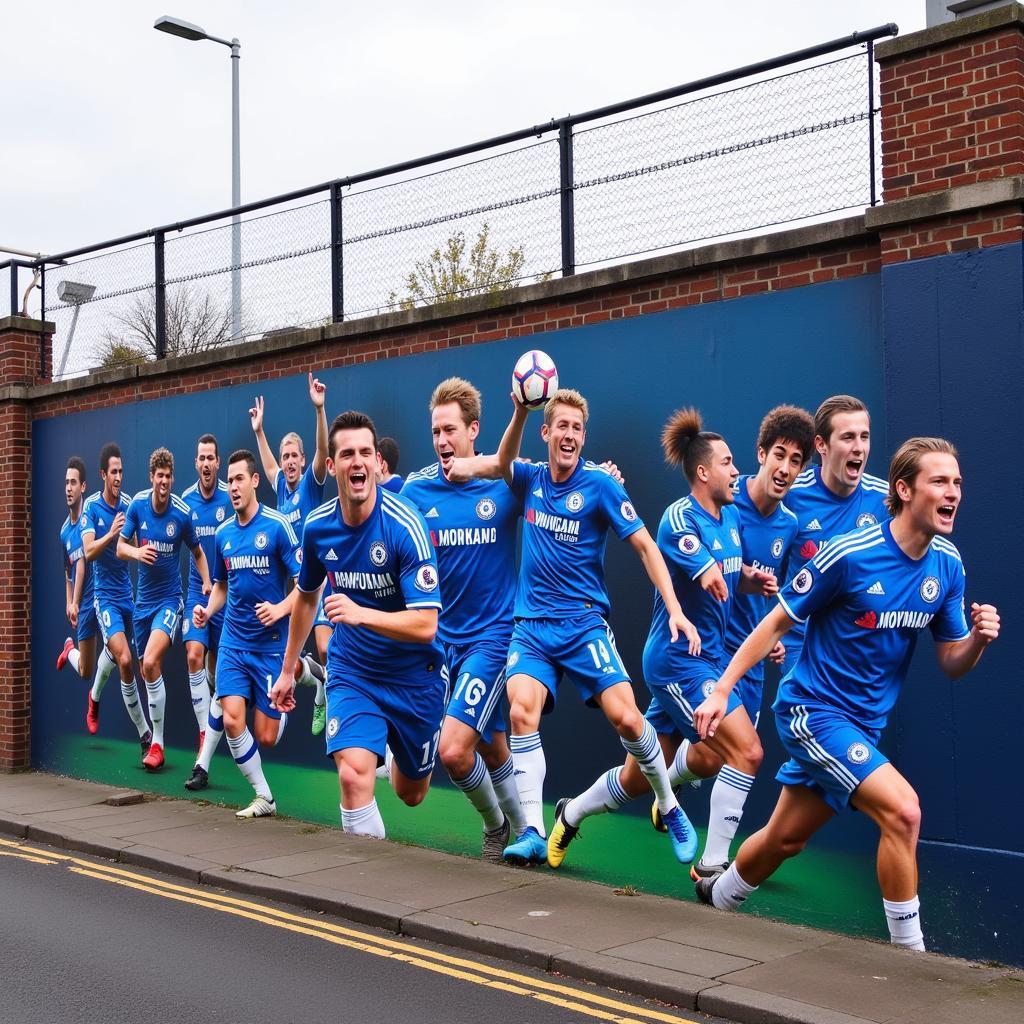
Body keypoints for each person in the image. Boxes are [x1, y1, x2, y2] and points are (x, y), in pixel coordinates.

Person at [692, 438, 999, 952]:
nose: (954, 493)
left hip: (863, 727)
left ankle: (717, 895)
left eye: (958, 483)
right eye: (940, 482)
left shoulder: (947, 564)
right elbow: (776, 621)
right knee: (904, 812)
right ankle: (911, 961)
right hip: (812, 713)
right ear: (903, 489)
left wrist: (976, 642)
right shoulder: (849, 554)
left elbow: (951, 661)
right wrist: (722, 689)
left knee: (786, 838)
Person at [446, 389, 701, 867]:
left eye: (577, 428)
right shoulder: (528, 479)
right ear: (546, 433)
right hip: (531, 628)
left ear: (584, 437)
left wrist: (675, 608)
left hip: (584, 625)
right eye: (560, 426)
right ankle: (534, 832)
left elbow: (647, 547)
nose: (569, 435)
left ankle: (669, 804)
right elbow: (497, 463)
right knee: (522, 710)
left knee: (627, 718)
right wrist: (518, 410)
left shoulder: (602, 485)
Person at [548, 409, 775, 876]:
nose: (737, 472)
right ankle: (712, 867)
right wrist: (722, 578)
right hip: (678, 662)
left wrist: (751, 580)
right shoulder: (680, 518)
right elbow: (710, 577)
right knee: (747, 752)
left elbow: (730, 579)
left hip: (704, 658)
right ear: (703, 471)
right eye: (729, 463)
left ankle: (570, 814)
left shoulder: (730, 517)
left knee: (655, 771)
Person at [649, 406, 815, 874]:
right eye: (778, 455)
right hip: (696, 658)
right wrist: (712, 578)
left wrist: (766, 619)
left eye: (796, 460)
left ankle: (655, 799)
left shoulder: (788, 525)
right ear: (762, 454)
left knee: (706, 757)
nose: (784, 468)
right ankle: (711, 863)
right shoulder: (721, 503)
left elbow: (774, 593)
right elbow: (697, 562)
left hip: (747, 661)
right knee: (742, 752)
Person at [270, 412, 448, 839]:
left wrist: (361, 613)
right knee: (352, 777)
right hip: (354, 670)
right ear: (331, 466)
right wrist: (288, 668)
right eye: (347, 454)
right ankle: (370, 880)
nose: (358, 462)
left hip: (413, 676)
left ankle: (388, 748)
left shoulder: (406, 525)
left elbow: (426, 624)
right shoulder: (317, 529)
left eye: (365, 453)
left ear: (377, 461)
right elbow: (308, 596)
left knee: (412, 791)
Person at [402, 378, 527, 861]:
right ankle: (525, 828)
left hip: (492, 638)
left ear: (474, 430)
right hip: (439, 644)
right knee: (493, 746)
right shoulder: (416, 489)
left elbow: (558, 478)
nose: (441, 441)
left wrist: (605, 472)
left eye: (450, 430)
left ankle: (497, 826)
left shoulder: (504, 483)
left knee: (454, 751)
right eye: (435, 432)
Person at [192, 450, 302, 818]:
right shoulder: (222, 534)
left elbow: (305, 588)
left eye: (240, 479)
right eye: (230, 481)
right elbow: (222, 586)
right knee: (231, 717)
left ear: (255, 482)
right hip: (233, 644)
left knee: (266, 736)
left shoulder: (277, 526)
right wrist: (208, 611)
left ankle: (296, 675)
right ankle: (264, 796)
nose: (233, 487)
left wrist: (279, 609)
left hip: (271, 645)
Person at [117, 448, 210, 771]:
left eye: (169, 476)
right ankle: (158, 742)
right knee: (146, 670)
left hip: (171, 600)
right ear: (151, 477)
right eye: (160, 476)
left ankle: (157, 743)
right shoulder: (137, 506)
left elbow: (198, 553)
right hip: (142, 605)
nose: (165, 481)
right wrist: (136, 554)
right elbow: (120, 546)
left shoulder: (181, 514)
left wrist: (208, 583)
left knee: (153, 660)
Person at [780, 395, 889, 675]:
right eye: (848, 437)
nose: (859, 448)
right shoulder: (791, 495)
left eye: (864, 437)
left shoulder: (886, 500)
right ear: (821, 445)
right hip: (801, 647)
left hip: (859, 647)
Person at [250, 374, 329, 733]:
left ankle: (324, 697)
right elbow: (266, 465)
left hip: (320, 578)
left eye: (295, 455)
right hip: (292, 584)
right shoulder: (280, 482)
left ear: (302, 458)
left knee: (325, 649)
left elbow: (324, 452)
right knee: (290, 656)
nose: (289, 462)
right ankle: (313, 683)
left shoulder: (312, 482)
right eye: (286, 457)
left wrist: (319, 410)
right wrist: (259, 431)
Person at [80, 443, 151, 756]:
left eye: (121, 471)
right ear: (102, 475)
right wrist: (110, 534)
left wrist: (140, 545)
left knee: (123, 655)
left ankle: (94, 697)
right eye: (114, 472)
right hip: (104, 597)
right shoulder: (92, 508)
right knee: (124, 660)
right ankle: (144, 734)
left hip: (127, 594)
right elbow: (88, 552)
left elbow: (134, 545)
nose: (119, 477)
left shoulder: (129, 504)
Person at [180, 434, 233, 789]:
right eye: (201, 458)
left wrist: (220, 584)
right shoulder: (184, 502)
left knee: (218, 671)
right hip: (196, 593)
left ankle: (215, 721)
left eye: (211, 458)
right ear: (196, 462)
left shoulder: (231, 496)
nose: (206, 464)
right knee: (194, 655)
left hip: (226, 595)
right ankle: (204, 734)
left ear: (218, 462)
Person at [57, 457, 112, 692]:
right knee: (84, 671)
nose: (69, 488)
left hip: (102, 595)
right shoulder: (64, 532)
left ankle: (95, 697)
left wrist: (75, 602)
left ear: (83, 487)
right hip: (83, 606)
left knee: (119, 651)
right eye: (66, 483)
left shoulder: (88, 519)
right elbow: (68, 570)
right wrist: (69, 603)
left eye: (73, 483)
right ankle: (69, 650)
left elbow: (82, 563)